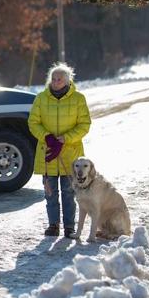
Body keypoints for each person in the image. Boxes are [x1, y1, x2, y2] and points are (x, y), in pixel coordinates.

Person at [28, 63, 91, 238]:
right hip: (47, 154)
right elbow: (33, 122)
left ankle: (69, 227)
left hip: (70, 155)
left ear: (68, 81)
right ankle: (53, 225)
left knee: (69, 193)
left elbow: (84, 125)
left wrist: (66, 138)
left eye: (60, 79)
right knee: (50, 193)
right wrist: (46, 136)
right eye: (54, 79)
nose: (56, 82)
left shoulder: (78, 98)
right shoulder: (40, 98)